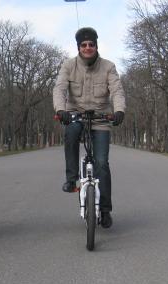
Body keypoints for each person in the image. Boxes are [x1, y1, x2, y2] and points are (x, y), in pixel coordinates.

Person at [53, 27, 126, 228]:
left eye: (91, 44)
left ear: (96, 45)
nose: (87, 48)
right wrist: (61, 110)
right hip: (75, 115)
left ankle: (105, 209)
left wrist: (119, 111)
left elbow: (117, 91)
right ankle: (71, 179)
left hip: (101, 119)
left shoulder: (108, 67)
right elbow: (59, 89)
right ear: (79, 47)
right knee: (71, 132)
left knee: (102, 162)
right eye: (83, 45)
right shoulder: (68, 66)